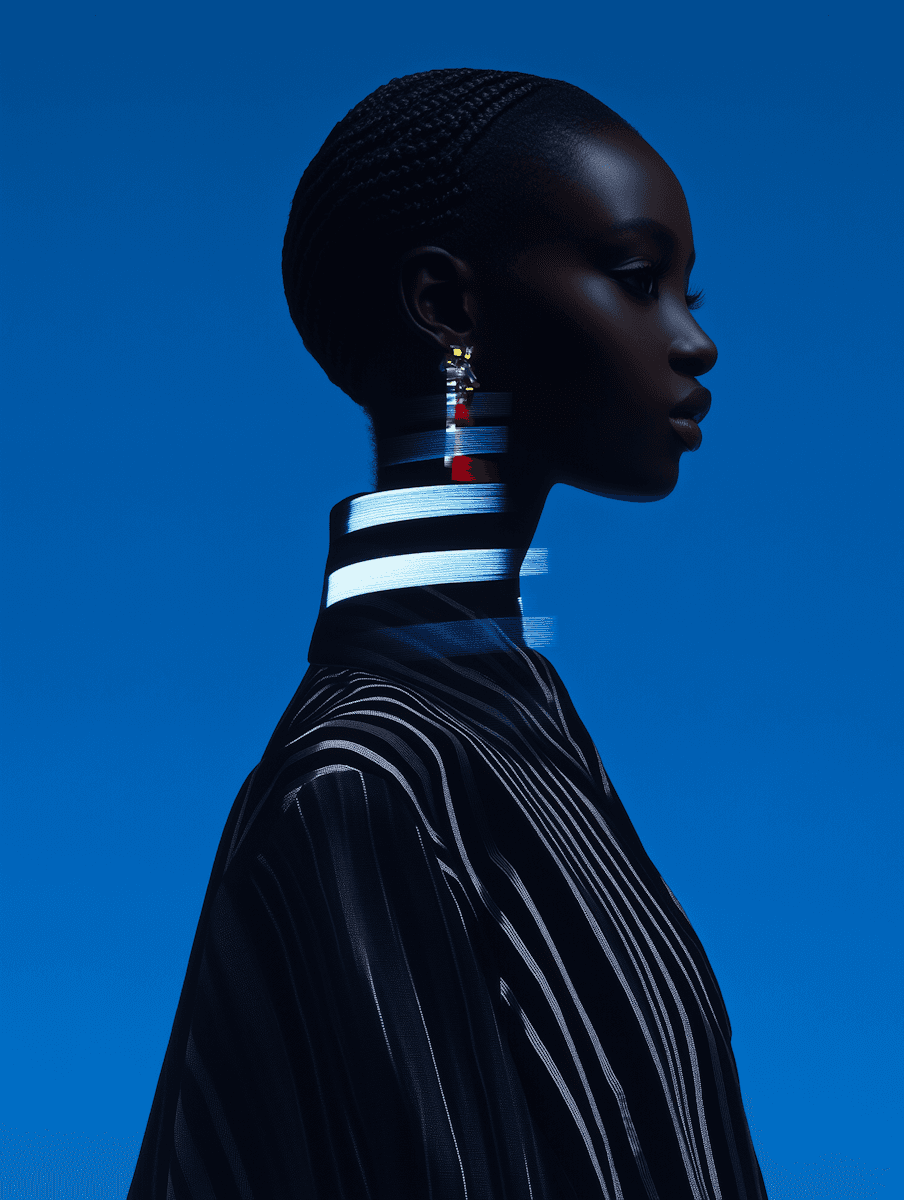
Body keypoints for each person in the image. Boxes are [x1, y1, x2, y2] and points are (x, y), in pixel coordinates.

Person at [128, 68, 767, 1200]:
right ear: (448, 307)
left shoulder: (519, 727)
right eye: (636, 279)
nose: (694, 341)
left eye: (687, 292)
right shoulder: (365, 784)